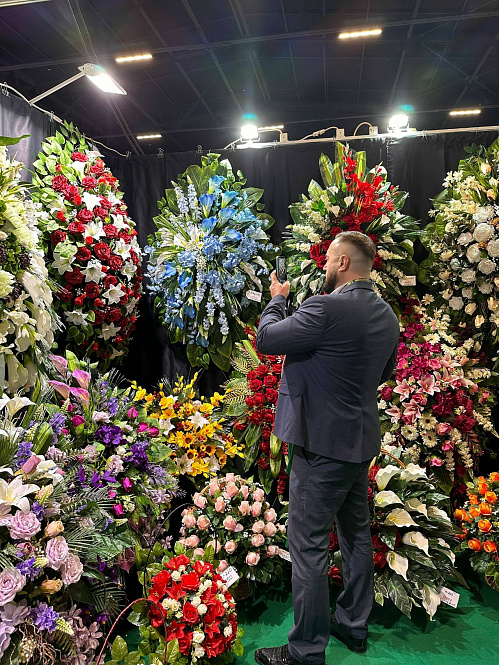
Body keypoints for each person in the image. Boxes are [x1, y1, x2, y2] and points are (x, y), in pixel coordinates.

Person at [254, 231, 400, 665]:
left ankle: (305, 650)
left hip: (321, 448)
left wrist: (277, 298)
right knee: (355, 534)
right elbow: (383, 373)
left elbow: (267, 339)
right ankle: (353, 624)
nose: (323, 266)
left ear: (342, 263)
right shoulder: (387, 315)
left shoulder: (324, 307)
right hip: (359, 443)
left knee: (309, 545)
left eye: (328, 259)